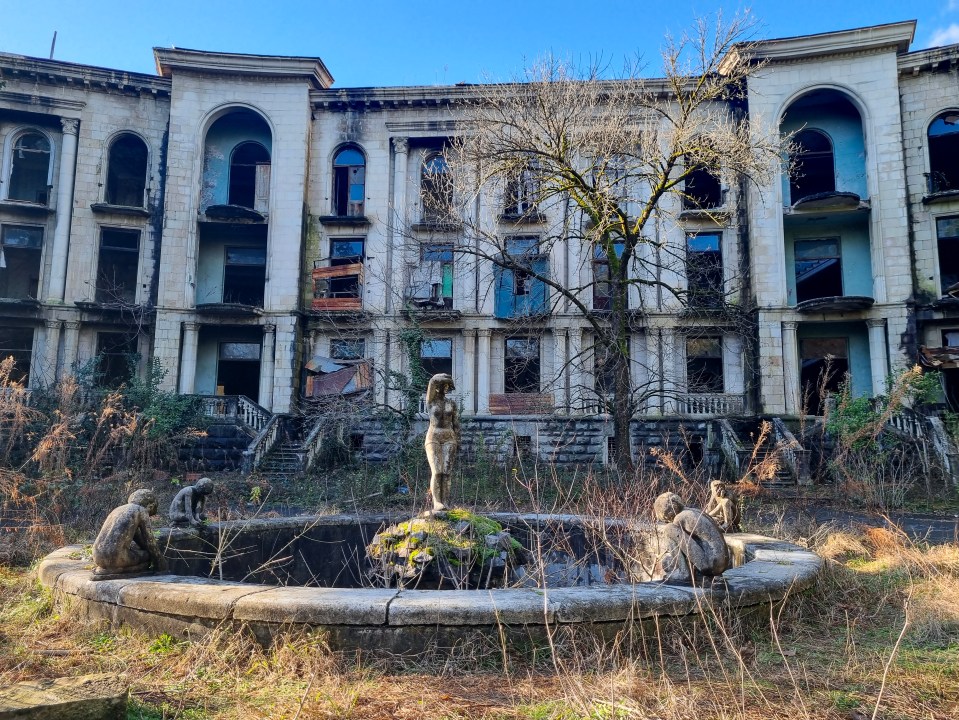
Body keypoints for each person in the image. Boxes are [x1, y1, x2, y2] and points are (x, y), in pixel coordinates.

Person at [91, 489, 168, 578]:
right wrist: (162, 565)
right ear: (150, 504)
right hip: (117, 558)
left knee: (139, 553)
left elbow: (138, 538)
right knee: (147, 556)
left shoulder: (118, 509)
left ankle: (108, 569)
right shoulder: (141, 510)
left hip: (97, 557)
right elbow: (150, 542)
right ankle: (118, 570)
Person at [424, 373, 459, 511]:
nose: (446, 388)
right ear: (438, 386)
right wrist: (442, 378)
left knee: (446, 472)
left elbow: (456, 423)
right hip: (434, 437)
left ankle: (445, 502)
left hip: (449, 437)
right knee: (437, 471)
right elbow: (432, 382)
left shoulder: (452, 404)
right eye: (444, 385)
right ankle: (437, 502)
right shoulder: (431, 401)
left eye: (448, 386)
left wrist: (459, 439)